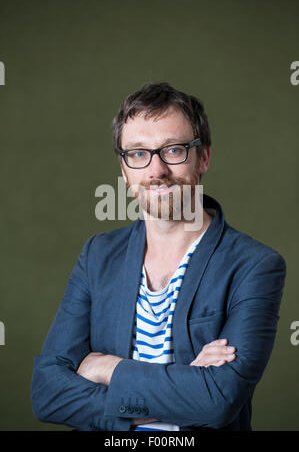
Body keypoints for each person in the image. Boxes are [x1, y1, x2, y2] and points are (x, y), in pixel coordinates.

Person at [31, 82, 286, 431]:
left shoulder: (254, 266)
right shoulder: (97, 256)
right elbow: (47, 393)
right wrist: (184, 386)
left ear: (204, 157)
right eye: (138, 153)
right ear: (124, 171)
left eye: (174, 150)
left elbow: (217, 401)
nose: (156, 171)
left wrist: (107, 368)